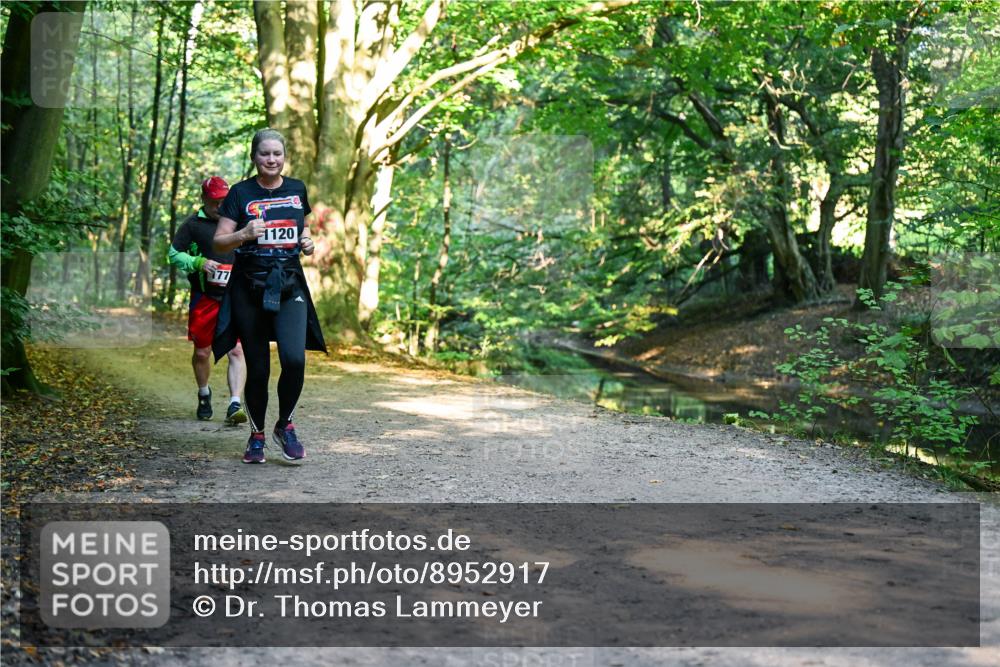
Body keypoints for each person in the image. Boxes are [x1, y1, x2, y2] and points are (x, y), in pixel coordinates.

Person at [212, 128, 326, 464]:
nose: (271, 160)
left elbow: (301, 226)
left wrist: (307, 241)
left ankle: (284, 425)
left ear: (284, 157)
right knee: (258, 369)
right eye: (265, 154)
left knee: (294, 359)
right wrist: (244, 234)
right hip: (250, 288)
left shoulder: (296, 189)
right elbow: (220, 241)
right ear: (254, 157)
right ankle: (257, 434)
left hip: (289, 285)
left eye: (277, 154)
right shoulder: (240, 193)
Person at [168, 176, 247, 425]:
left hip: (235, 296)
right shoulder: (193, 224)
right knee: (202, 352)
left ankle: (235, 403)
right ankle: (204, 394)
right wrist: (198, 263)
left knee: (237, 349)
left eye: (224, 200)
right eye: (215, 201)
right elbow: (173, 255)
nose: (220, 205)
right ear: (204, 199)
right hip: (205, 298)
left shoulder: (238, 221)